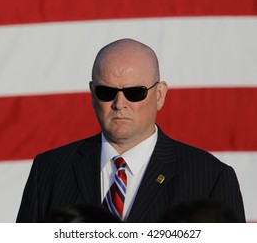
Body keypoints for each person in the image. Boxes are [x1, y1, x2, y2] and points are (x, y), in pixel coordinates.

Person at [16, 38, 245, 223]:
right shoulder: (49, 170)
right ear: (92, 94)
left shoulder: (211, 178)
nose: (119, 103)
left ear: (159, 95)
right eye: (107, 92)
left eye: (135, 92)